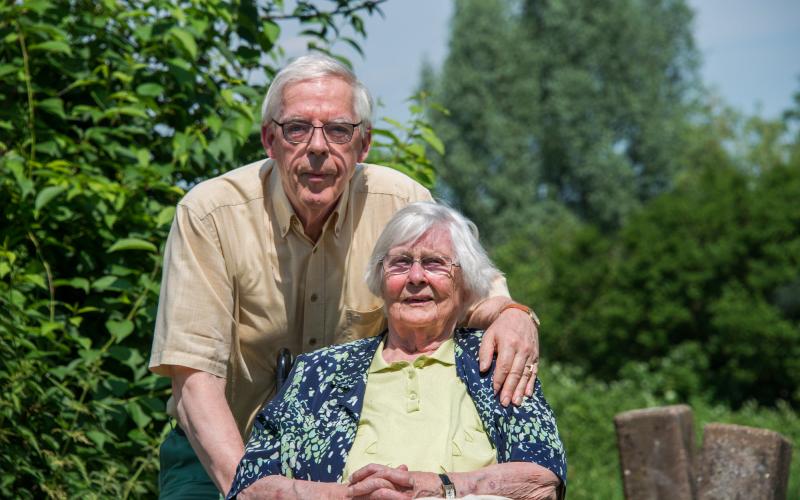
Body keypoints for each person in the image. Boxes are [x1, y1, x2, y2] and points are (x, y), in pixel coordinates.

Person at [149, 54, 542, 498]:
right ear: (269, 139)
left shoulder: (399, 202)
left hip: (353, 459)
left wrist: (514, 314)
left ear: (364, 144)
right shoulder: (210, 215)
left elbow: (471, 290)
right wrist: (251, 488)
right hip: (221, 448)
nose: (318, 147)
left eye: (338, 130)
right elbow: (193, 377)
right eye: (297, 128)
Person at [227, 202, 566, 500]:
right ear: (380, 280)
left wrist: (437, 488)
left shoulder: (494, 357)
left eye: (434, 264)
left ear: (465, 285)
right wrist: (348, 497)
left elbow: (542, 478)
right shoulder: (319, 371)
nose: (415, 277)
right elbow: (250, 487)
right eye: (401, 263)